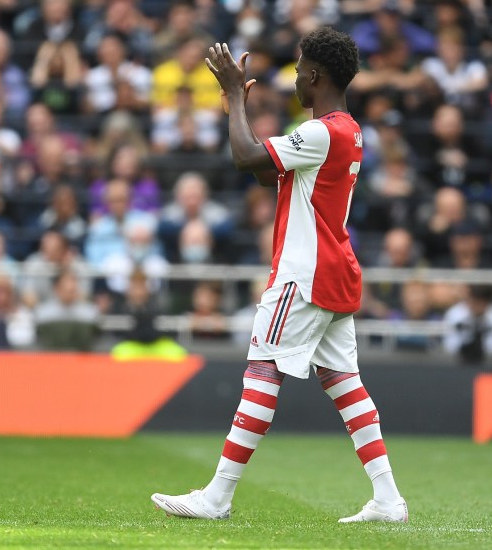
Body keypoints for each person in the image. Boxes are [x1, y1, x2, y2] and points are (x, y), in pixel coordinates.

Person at [152, 29, 407, 523]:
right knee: (344, 382)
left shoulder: (319, 133)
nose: (293, 79)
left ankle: (217, 497)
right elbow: (268, 171)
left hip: (302, 274)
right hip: (336, 271)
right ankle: (388, 499)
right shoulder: (347, 130)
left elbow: (246, 158)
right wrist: (238, 115)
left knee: (262, 372)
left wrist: (231, 95)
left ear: (315, 74)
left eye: (297, 70)